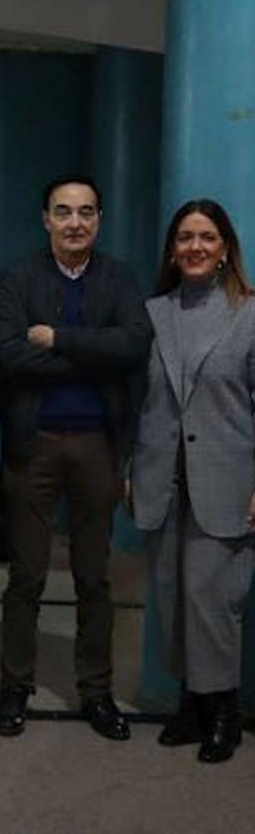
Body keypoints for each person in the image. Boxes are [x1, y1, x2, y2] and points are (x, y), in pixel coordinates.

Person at [0, 175, 150, 740]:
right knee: (26, 575)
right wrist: (96, 353)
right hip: (33, 443)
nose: (75, 222)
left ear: (99, 219)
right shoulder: (18, 278)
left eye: (85, 212)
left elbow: (133, 345)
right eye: (63, 211)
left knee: (94, 577)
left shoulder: (119, 279)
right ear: (46, 219)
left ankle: (96, 691)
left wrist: (58, 338)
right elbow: (10, 356)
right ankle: (15, 686)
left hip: (98, 445)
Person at [131, 199, 255, 763]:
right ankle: (190, 703)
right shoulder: (154, 312)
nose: (195, 247)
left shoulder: (248, 313)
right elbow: (144, 402)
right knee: (172, 596)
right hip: (163, 479)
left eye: (206, 237)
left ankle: (223, 711)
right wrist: (133, 469)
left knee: (213, 600)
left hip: (227, 482)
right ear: (172, 250)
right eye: (185, 237)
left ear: (225, 247)